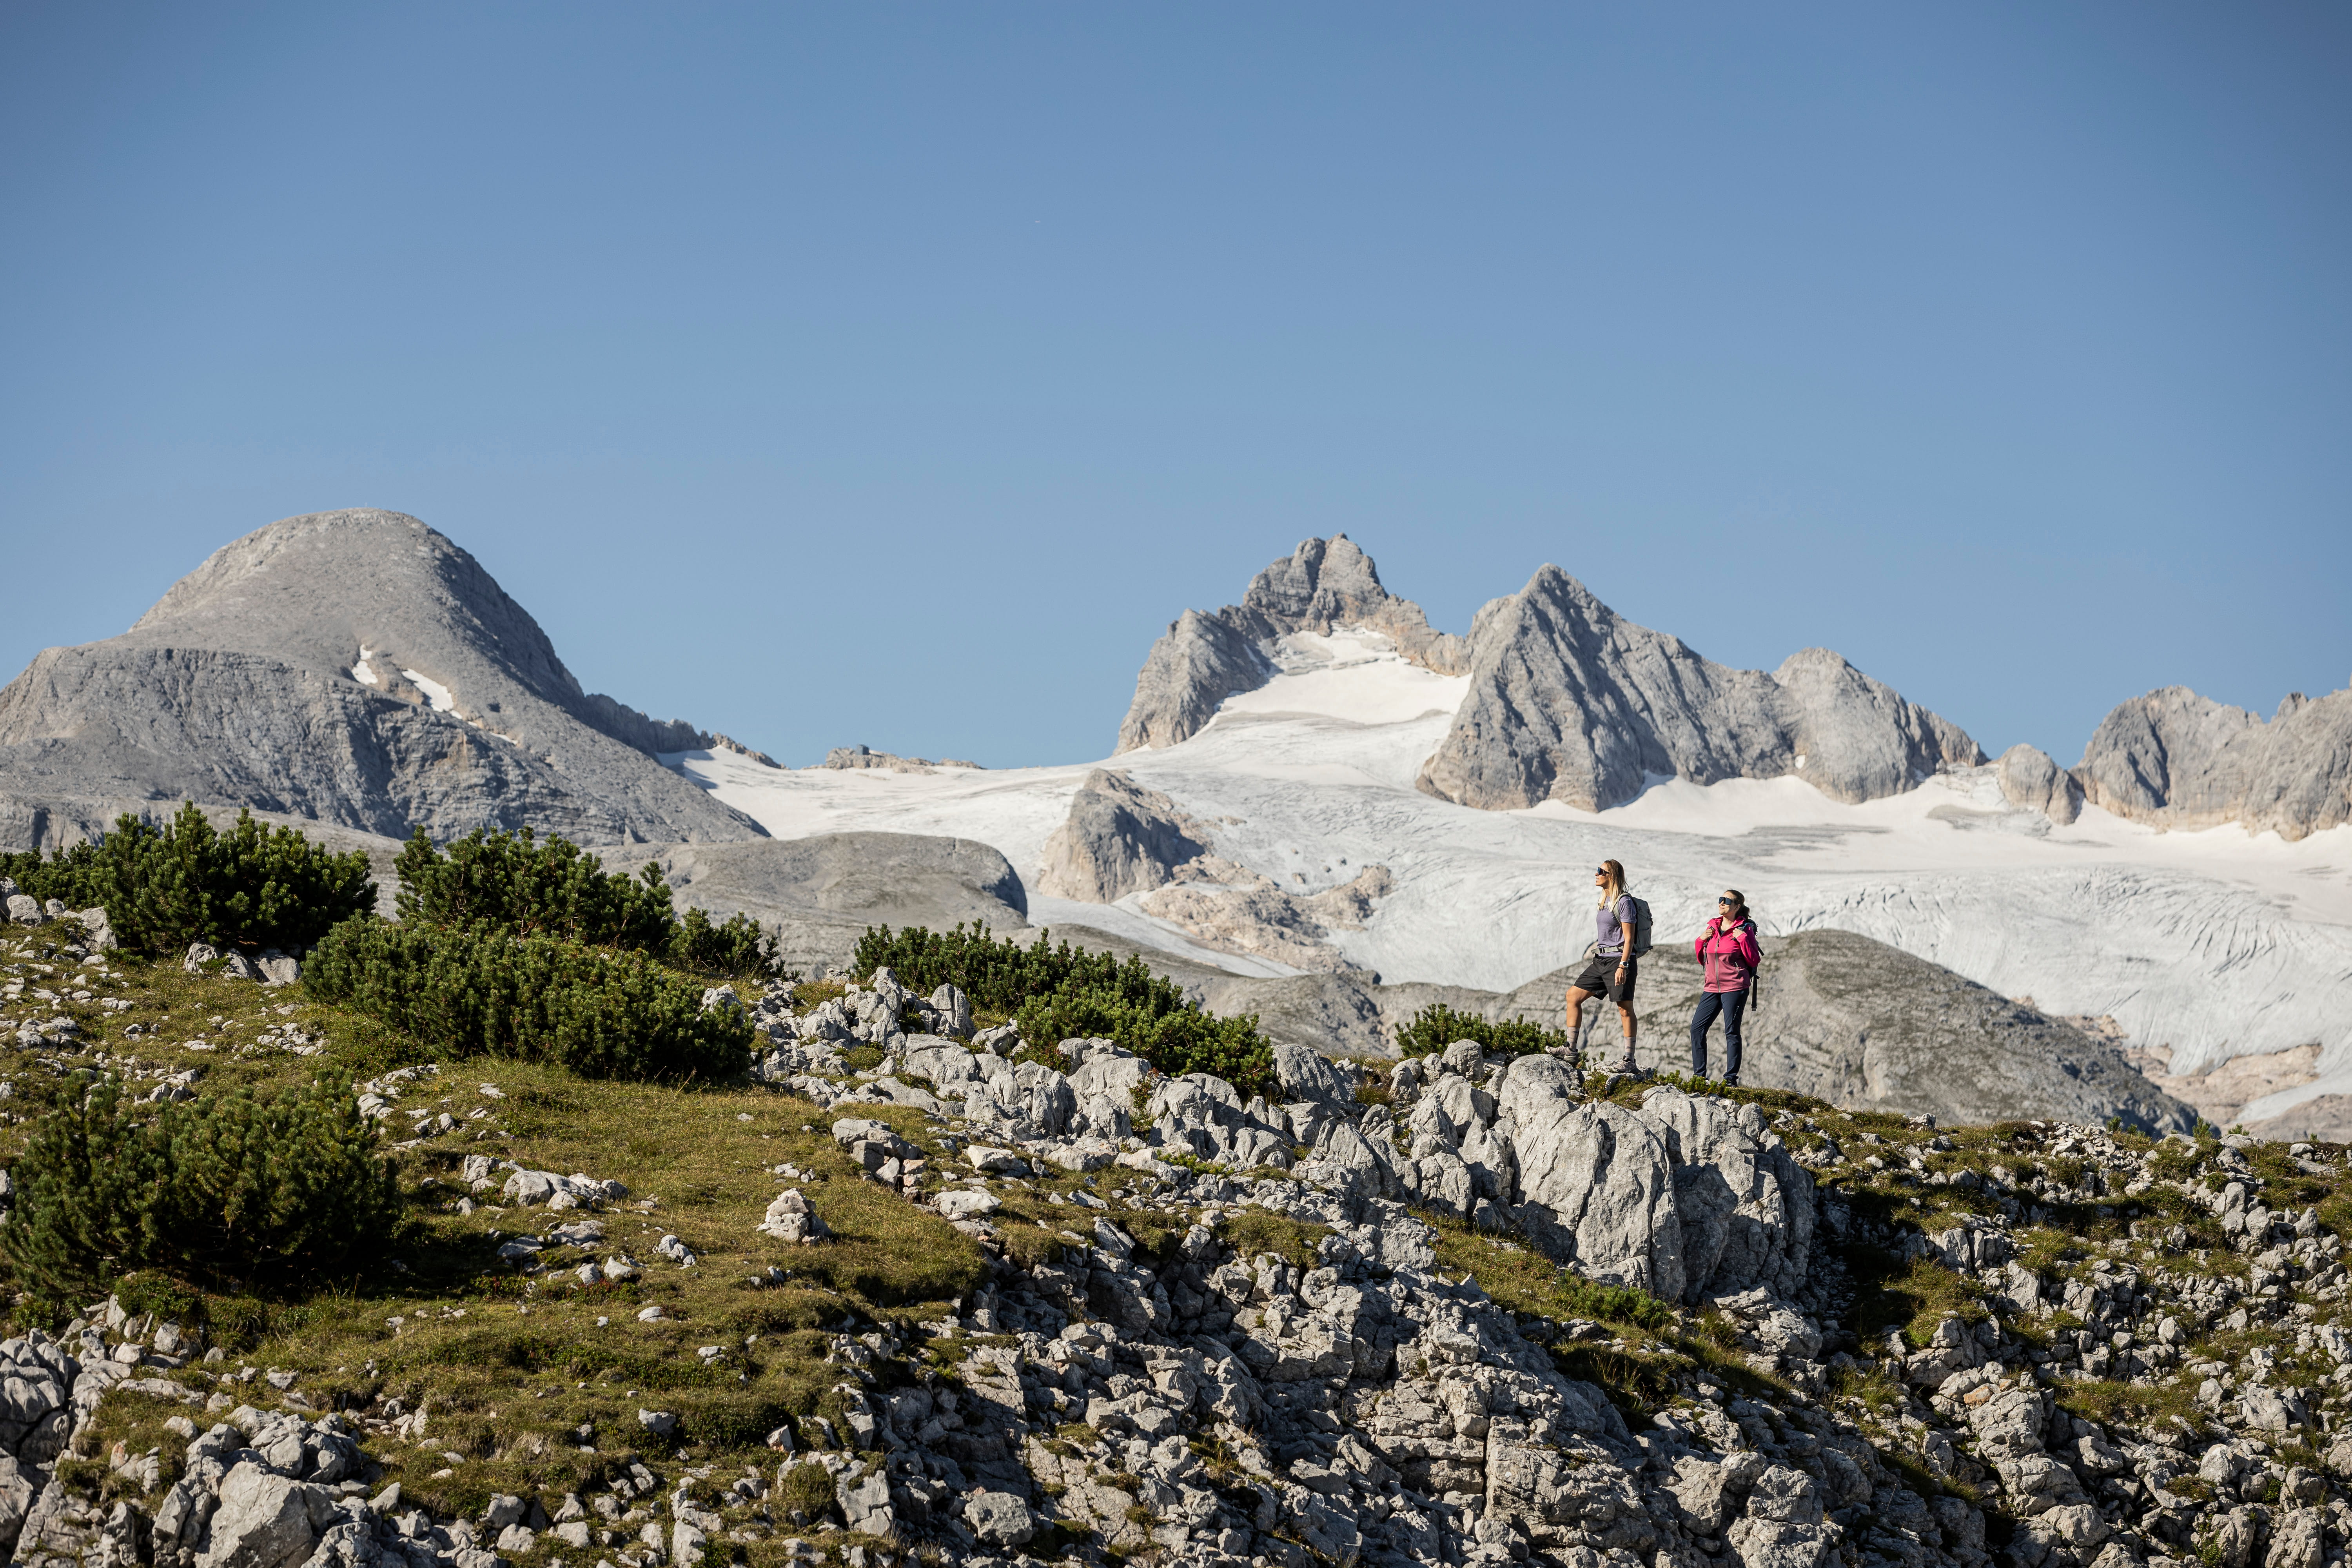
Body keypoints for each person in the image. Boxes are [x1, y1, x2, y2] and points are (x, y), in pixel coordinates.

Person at [1564, 859, 1641, 1074]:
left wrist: (1623, 966)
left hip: (1619, 961)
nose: (1596, 874)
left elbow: (1629, 938)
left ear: (1612, 875)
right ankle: (1570, 1049)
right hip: (1601, 961)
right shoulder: (1604, 900)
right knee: (1573, 997)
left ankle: (1629, 1059)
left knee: (1625, 1009)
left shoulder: (1623, 902)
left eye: (1601, 871)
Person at [1690, 889, 1760, 1085]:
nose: (1721, 903)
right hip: (1711, 987)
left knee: (1731, 1032)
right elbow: (1702, 958)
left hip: (1735, 987)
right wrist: (1700, 940)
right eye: (1720, 899)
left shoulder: (1744, 929)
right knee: (1697, 1029)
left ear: (1737, 907)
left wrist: (1743, 939)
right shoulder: (1713, 928)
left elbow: (1754, 959)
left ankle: (1730, 1079)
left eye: (1726, 901)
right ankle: (1699, 1077)